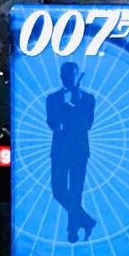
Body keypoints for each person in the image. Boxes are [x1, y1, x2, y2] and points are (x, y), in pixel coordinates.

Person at [47, 61, 97, 243]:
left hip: (79, 151)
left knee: (76, 192)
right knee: (58, 190)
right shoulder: (52, 98)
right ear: (61, 77)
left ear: (76, 77)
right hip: (59, 151)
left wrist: (75, 104)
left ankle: (73, 231)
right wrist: (67, 106)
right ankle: (87, 221)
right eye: (65, 75)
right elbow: (53, 123)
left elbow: (87, 124)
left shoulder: (88, 99)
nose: (68, 78)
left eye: (71, 75)